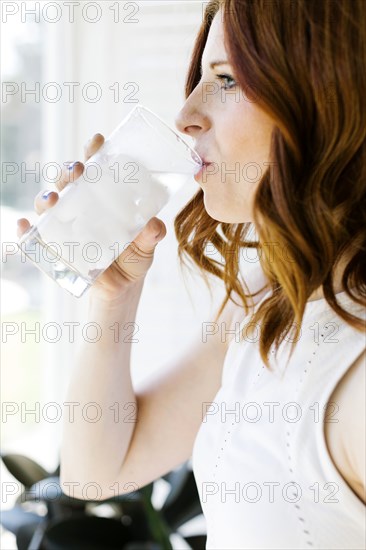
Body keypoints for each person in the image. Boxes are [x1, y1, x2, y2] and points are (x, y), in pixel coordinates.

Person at [17, 0, 365, 548]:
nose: (185, 116)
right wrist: (114, 298)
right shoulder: (271, 301)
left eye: (225, 79)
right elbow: (94, 474)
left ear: (327, 97)